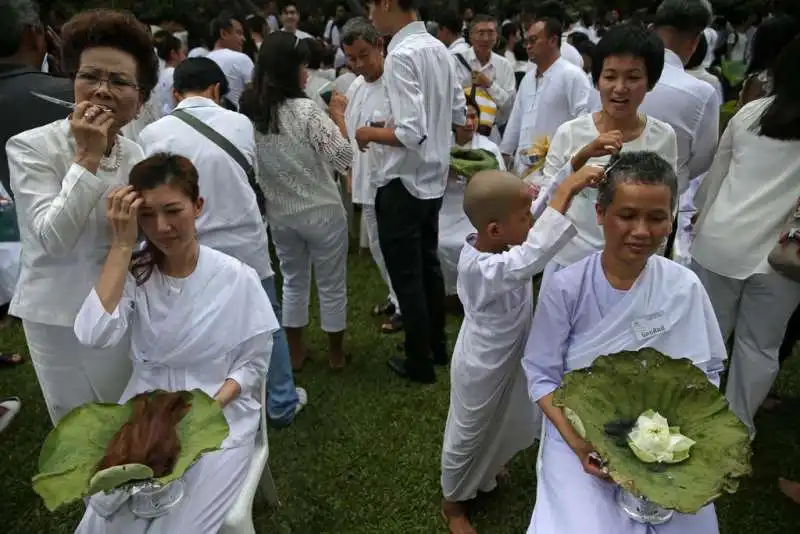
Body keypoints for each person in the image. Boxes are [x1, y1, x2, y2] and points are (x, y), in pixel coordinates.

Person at [523, 151, 726, 534]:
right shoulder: (567, 287)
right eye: (627, 215)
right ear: (601, 213)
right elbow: (541, 375)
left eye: (656, 218)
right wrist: (581, 446)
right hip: (581, 430)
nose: (641, 231)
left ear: (671, 218)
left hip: (665, 434)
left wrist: (670, 440)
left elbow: (705, 375)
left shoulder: (684, 286)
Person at [73, 154, 277, 534]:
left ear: (197, 206)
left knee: (179, 525)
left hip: (218, 412)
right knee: (108, 522)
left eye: (172, 210)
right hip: (146, 409)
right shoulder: (136, 273)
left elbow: (252, 365)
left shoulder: (237, 278)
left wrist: (201, 413)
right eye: (147, 215)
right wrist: (121, 246)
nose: (162, 227)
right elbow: (93, 334)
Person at [6, 8, 158, 424]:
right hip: (58, 315)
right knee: (80, 426)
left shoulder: (136, 153)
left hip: (120, 305)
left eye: (120, 81)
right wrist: (86, 158)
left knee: (127, 411)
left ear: (141, 100)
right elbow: (52, 239)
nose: (102, 90)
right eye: (90, 76)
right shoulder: (31, 147)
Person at [138, 57, 306, 425]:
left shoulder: (152, 135)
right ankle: (281, 401)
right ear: (216, 90)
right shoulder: (240, 123)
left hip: (188, 250)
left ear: (176, 92)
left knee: (199, 328)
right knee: (266, 324)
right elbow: (251, 175)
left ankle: (206, 401)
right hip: (246, 242)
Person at [441, 165, 603, 534]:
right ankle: (452, 502)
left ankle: (487, 469)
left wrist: (576, 165)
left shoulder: (502, 241)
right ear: (495, 229)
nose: (532, 220)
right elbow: (531, 256)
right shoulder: (483, 267)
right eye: (525, 217)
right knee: (468, 432)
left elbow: (540, 199)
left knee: (506, 417)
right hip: (482, 366)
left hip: (510, 357)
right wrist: (568, 191)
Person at [691, 36, 800, 437]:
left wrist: (698, 221)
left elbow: (715, 180)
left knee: (706, 337)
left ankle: (693, 418)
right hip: (782, 260)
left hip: (720, 242)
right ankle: (736, 432)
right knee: (759, 349)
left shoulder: (750, 113)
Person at [361, 0, 466, 383]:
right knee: (427, 267)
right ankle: (436, 347)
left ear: (389, 3)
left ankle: (420, 359)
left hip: (403, 180)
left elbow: (409, 131)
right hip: (432, 178)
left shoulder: (401, 55)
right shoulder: (440, 48)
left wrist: (367, 132)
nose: (371, 14)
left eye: (373, 5)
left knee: (409, 276)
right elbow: (458, 113)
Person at [242, 32, 352, 370]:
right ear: (291, 70)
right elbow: (343, 157)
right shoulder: (306, 111)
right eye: (303, 66)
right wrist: (338, 115)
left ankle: (295, 350)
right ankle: (335, 354)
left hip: (281, 214)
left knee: (292, 280)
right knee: (332, 283)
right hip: (322, 211)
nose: (307, 73)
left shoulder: (250, 114)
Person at [536, 24, 678, 284]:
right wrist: (580, 162)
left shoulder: (663, 136)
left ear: (651, 82)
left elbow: (668, 203)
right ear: (597, 79)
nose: (620, 88)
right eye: (610, 76)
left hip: (632, 267)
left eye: (633, 77)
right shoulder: (570, 133)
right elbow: (547, 200)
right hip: (570, 262)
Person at [338, 17, 402, 334]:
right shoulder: (356, 85)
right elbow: (350, 132)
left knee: (394, 244)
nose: (359, 64)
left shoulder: (395, 81)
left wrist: (375, 133)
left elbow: (409, 132)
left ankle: (406, 304)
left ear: (379, 45)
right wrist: (350, 170)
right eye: (352, 58)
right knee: (377, 244)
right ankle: (395, 295)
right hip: (366, 179)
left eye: (364, 54)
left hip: (393, 180)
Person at [639, 0, 719, 198]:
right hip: (663, 199)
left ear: (651, 29)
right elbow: (703, 159)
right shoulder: (701, 92)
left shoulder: (612, 77)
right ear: (695, 41)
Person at [500, 16, 592, 176]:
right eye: (526, 41)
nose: (528, 46)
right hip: (523, 169)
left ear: (552, 40)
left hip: (557, 169)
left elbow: (584, 123)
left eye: (533, 40)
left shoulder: (573, 76)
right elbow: (515, 121)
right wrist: (505, 156)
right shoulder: (527, 79)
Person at [438, 96, 505, 297]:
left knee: (470, 243)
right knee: (440, 243)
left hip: (478, 211)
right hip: (447, 207)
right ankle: (449, 293)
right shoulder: (442, 146)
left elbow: (500, 183)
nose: (469, 122)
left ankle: (473, 292)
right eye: (464, 117)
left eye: (474, 116)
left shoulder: (488, 148)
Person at [452, 14, 515, 142]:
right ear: (471, 36)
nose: (486, 38)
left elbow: (508, 105)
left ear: (497, 36)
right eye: (480, 33)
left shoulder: (505, 65)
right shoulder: (455, 61)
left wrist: (489, 84)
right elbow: (450, 98)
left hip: (491, 133)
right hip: (461, 132)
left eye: (491, 33)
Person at [206, 13, 252, 110]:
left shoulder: (204, 61)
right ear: (223, 34)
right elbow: (255, 93)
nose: (243, 39)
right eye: (239, 33)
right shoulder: (241, 59)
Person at [151, 30, 185, 116]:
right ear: (173, 53)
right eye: (183, 52)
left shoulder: (161, 74)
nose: (185, 56)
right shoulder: (175, 74)